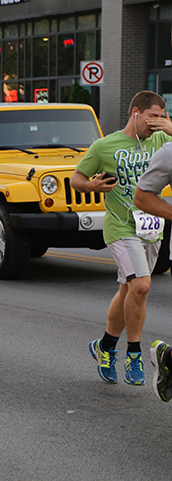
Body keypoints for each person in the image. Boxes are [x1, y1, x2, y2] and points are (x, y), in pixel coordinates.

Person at [70, 90, 172, 386]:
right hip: (120, 226)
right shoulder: (106, 145)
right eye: (153, 116)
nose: (156, 123)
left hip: (151, 227)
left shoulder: (164, 141)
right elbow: (77, 178)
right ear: (136, 112)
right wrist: (91, 186)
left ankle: (104, 346)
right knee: (141, 286)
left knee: (129, 292)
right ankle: (134, 354)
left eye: (162, 117)